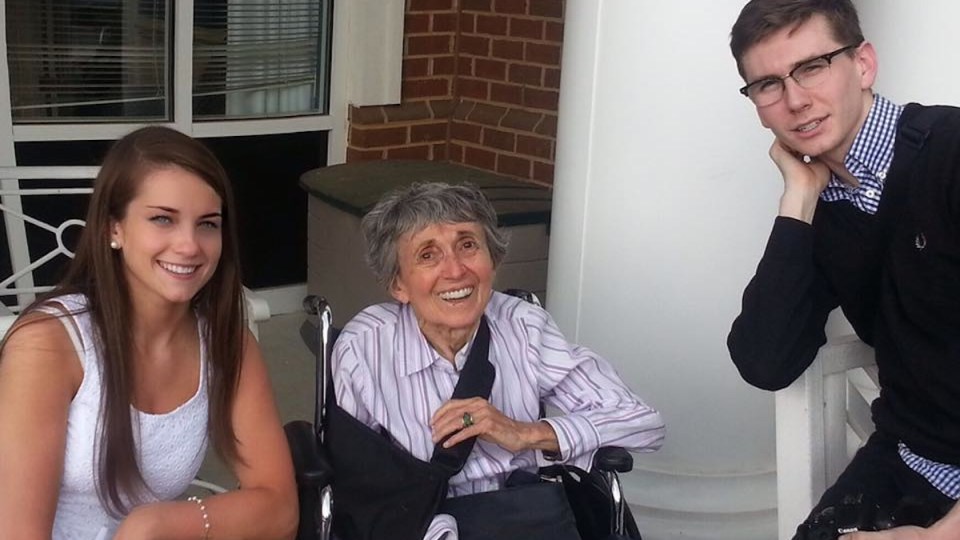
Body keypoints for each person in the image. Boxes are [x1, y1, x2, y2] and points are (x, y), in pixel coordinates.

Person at [727, 0, 960, 537]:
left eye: (812, 67)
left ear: (863, 64)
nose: (794, 100)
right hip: (911, 460)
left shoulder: (950, 153)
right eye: (767, 84)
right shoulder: (825, 208)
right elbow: (766, 361)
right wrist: (799, 199)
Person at [0, 126, 297, 539]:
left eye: (208, 224)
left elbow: (280, 508)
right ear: (113, 229)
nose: (190, 245)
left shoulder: (225, 344)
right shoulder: (50, 343)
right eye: (163, 219)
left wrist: (155, 524)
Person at [331, 181, 665, 539]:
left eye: (468, 245)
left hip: (521, 517)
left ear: (494, 259)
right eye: (428, 255)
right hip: (417, 526)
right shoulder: (365, 347)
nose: (456, 270)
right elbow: (358, 485)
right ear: (398, 285)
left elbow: (643, 421)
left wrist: (528, 433)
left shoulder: (523, 327)